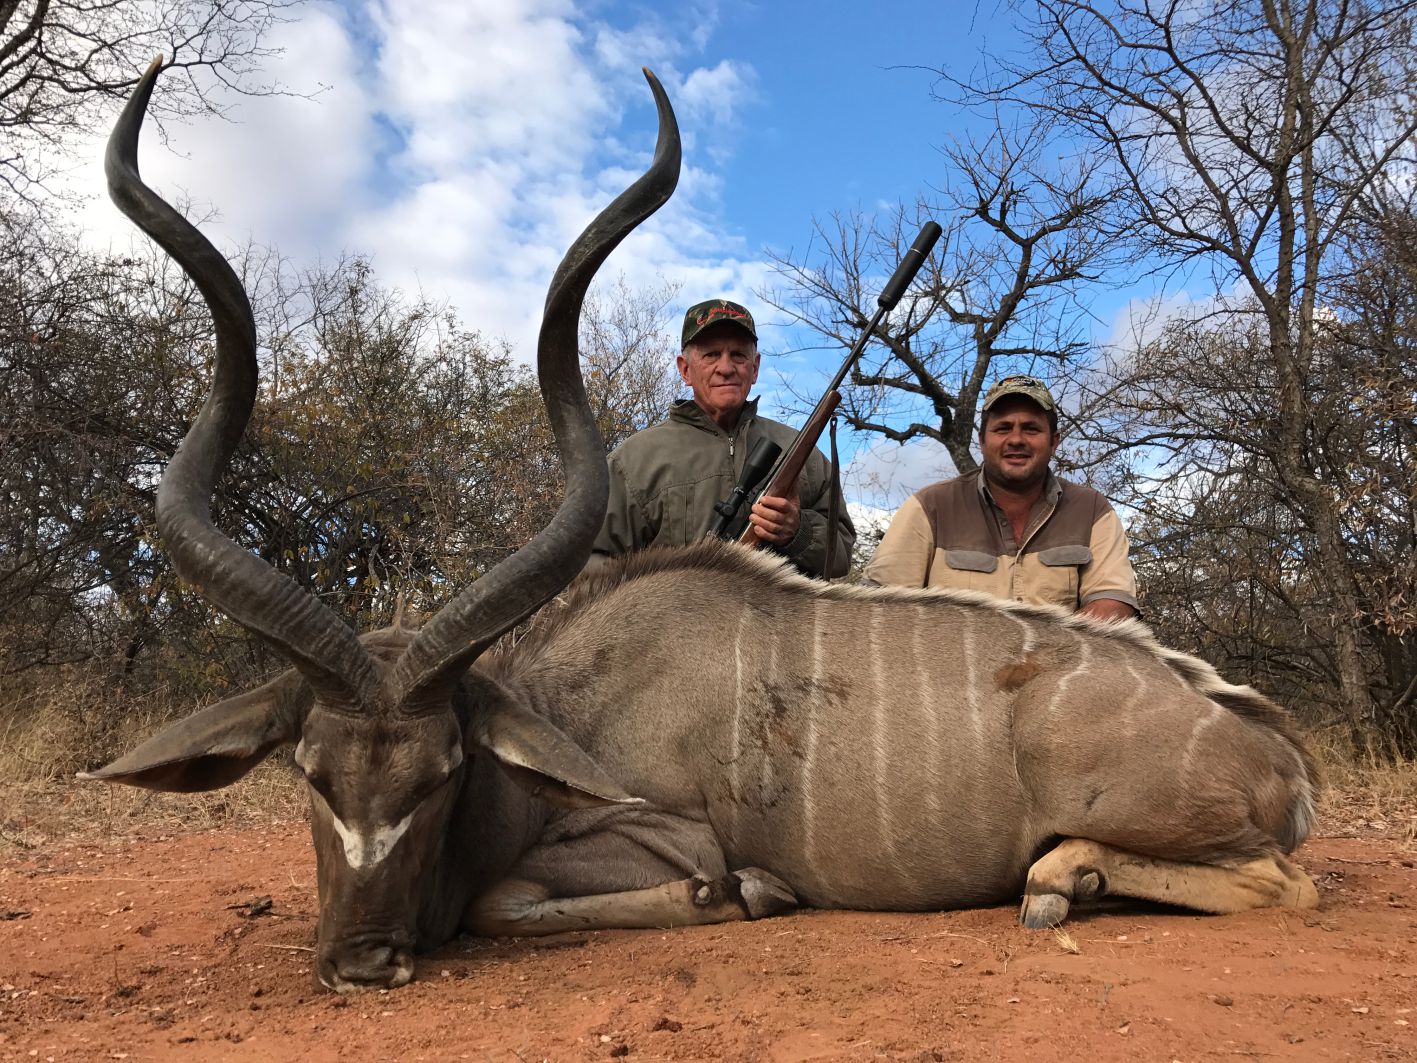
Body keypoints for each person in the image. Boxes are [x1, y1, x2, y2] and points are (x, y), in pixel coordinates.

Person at [590, 297, 855, 578]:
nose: (726, 368)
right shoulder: (632, 460)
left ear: (755, 368)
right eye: (711, 355)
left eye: (738, 355)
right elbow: (592, 565)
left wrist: (798, 531)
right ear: (685, 369)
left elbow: (841, 557)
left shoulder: (803, 453)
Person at [865, 374, 1138, 620]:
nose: (1016, 439)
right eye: (1003, 428)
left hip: (1058, 660)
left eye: (1031, 428)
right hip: (950, 661)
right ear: (982, 440)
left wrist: (1037, 652)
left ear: (1054, 442)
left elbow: (1113, 603)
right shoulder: (929, 507)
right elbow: (879, 610)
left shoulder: (1092, 509)